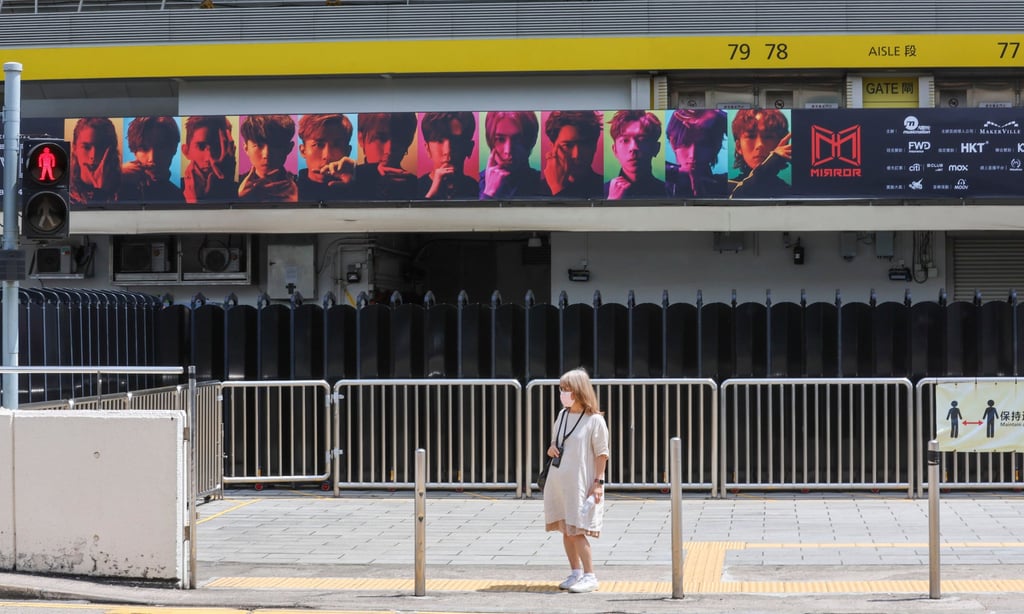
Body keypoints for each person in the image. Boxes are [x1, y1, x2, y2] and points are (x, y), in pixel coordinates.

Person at [544, 367, 610, 594]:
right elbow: (556, 443)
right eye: (561, 389)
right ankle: (575, 572)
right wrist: (551, 449)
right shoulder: (562, 416)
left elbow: (602, 453)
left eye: (567, 389)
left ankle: (590, 575)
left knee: (578, 530)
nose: (563, 393)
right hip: (560, 482)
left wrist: (598, 483)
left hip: (581, 483)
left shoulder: (595, 421)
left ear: (579, 391)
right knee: (566, 528)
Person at [119, 116, 186, 204]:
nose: (152, 159)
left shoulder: (181, 196)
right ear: (134, 151)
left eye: (161, 147)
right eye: (144, 148)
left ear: (173, 149)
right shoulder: (118, 186)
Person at [728, 108, 792, 199]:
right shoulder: (725, 187)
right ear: (738, 147)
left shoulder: (789, 191)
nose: (760, 145)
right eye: (751, 136)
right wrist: (771, 164)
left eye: (768, 137)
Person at [354, 112, 419, 201]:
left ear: (407, 143)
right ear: (361, 139)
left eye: (398, 140)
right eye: (381, 138)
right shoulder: (349, 178)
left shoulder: (416, 186)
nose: (389, 151)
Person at [665, 109, 728, 198]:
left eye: (703, 144)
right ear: (672, 143)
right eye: (686, 143)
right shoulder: (660, 185)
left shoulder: (725, 186)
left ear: (717, 146)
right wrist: (678, 172)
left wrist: (714, 114)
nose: (693, 155)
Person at [479, 111, 542, 199]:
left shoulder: (543, 183)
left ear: (532, 141)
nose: (508, 150)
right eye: (500, 139)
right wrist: (489, 192)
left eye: (517, 140)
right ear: (491, 141)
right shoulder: (476, 184)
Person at [540, 111, 603, 199]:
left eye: (584, 144)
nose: (576, 155)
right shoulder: (535, 189)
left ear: (595, 146)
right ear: (553, 146)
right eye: (567, 145)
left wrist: (557, 188)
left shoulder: (606, 188)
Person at [418, 111, 479, 200]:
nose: (447, 151)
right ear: (428, 149)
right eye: (439, 141)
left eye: (456, 141)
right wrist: (431, 195)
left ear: (469, 148)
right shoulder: (415, 187)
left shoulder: (476, 189)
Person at [296, 113, 357, 203]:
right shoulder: (289, 191)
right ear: (303, 151)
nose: (327, 156)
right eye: (318, 145)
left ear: (348, 151)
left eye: (337, 145)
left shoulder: (360, 188)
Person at [605, 110, 665, 200]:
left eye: (642, 140)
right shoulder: (601, 192)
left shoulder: (668, 192)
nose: (633, 147)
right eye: (625, 140)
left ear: (655, 148)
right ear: (615, 150)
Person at [237, 114, 298, 203]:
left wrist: (299, 202)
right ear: (246, 149)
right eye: (258, 145)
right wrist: (239, 199)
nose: (266, 155)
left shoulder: (302, 187)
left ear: (289, 148)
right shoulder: (233, 187)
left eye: (275, 146)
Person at [181, 115, 238, 203]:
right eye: (201, 147)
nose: (209, 157)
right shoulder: (173, 193)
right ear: (186, 151)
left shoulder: (240, 191)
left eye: (216, 147)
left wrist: (227, 187)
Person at [69, 117, 121, 205]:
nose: (93, 156)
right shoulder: (64, 192)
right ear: (74, 148)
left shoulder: (126, 189)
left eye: (100, 147)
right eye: (86, 147)